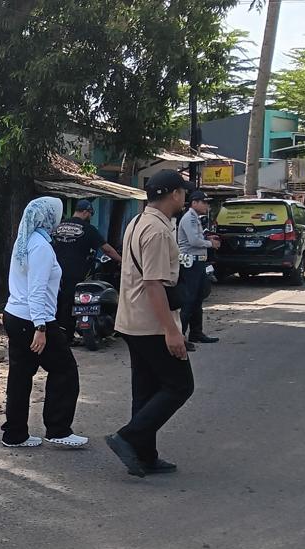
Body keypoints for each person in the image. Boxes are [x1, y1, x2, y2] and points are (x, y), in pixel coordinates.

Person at [105, 169, 196, 478]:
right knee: (180, 385)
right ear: (174, 194)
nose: (185, 197)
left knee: (145, 390)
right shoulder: (157, 231)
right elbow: (154, 284)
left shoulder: (138, 222)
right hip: (151, 323)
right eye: (183, 192)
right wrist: (172, 331)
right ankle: (127, 437)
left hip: (132, 319)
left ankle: (143, 455)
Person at [0, 197, 87, 449]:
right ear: (48, 217)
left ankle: (14, 434)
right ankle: (58, 429)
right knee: (65, 370)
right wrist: (40, 327)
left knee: (20, 377)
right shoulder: (41, 247)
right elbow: (36, 290)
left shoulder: (24, 241)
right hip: (33, 319)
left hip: (16, 315)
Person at [51, 199, 122, 338]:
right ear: (85, 212)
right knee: (70, 302)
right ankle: (67, 335)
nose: (90, 217)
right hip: (74, 271)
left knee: (55, 300)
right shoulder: (88, 229)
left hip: (53, 270)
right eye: (90, 214)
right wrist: (121, 260)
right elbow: (106, 249)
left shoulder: (59, 226)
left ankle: (54, 332)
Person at [176, 191, 221, 349]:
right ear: (194, 202)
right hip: (191, 264)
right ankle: (180, 336)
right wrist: (210, 244)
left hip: (198, 263)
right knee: (189, 300)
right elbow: (194, 241)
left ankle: (196, 332)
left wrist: (207, 239)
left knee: (198, 299)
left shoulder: (195, 218)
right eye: (204, 202)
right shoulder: (189, 218)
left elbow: (198, 238)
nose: (207, 205)